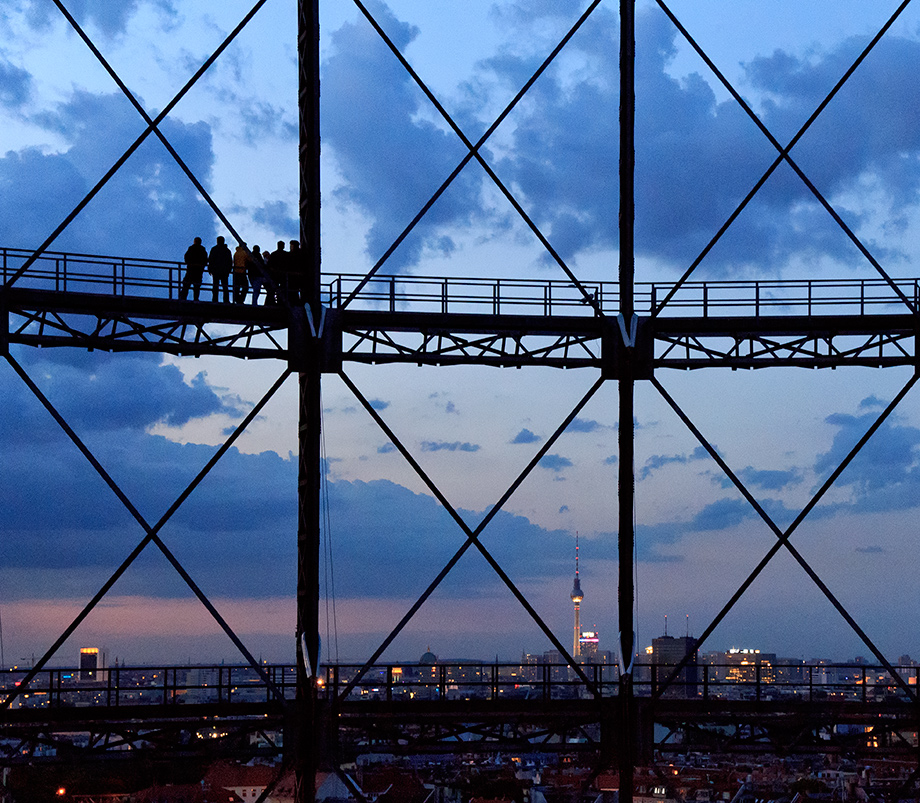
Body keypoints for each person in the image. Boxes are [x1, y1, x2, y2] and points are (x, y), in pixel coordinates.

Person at [180, 237, 208, 301]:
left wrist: (189, 264)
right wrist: (201, 266)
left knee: (186, 285)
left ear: (194, 241)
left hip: (191, 270)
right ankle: (195, 298)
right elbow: (205, 260)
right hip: (198, 271)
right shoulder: (202, 250)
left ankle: (183, 298)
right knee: (196, 286)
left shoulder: (191, 249)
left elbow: (186, 257)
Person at [208, 235, 232, 303]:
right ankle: (226, 300)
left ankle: (215, 299)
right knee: (225, 286)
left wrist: (210, 269)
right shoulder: (227, 250)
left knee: (215, 286)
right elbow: (229, 261)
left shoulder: (214, 249)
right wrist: (229, 270)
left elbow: (211, 260)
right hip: (224, 271)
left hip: (216, 271)